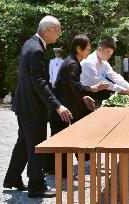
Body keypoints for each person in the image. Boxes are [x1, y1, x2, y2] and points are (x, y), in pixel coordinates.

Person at [3, 15, 73, 198]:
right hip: (33, 107)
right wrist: (57, 106)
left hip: (24, 104)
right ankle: (36, 187)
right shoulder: (37, 50)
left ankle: (12, 178)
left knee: (24, 143)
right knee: (37, 145)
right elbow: (39, 81)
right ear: (49, 29)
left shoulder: (29, 43)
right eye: (58, 31)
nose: (59, 35)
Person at [44, 34, 108, 177]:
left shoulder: (72, 62)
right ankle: (61, 171)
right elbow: (75, 86)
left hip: (63, 105)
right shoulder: (72, 64)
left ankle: (51, 168)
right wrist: (93, 89)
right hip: (61, 106)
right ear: (79, 48)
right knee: (62, 138)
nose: (89, 52)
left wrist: (84, 95)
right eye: (88, 49)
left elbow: (71, 87)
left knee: (59, 137)